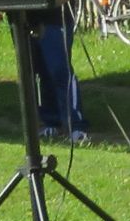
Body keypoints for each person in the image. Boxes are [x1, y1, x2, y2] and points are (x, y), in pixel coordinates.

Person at [32, 7, 89, 144]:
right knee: (43, 71)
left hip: (55, 18)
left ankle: (76, 125)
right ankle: (52, 122)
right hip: (28, 18)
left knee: (60, 71)